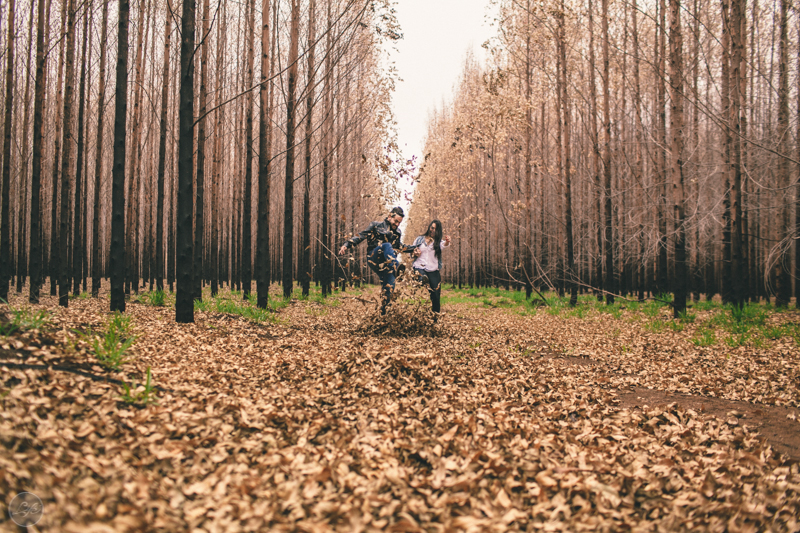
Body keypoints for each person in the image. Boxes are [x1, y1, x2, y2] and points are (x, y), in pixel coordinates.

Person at [338, 207, 415, 315]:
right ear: (389, 217)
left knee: (389, 288)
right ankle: (397, 267)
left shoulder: (397, 233)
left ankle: (384, 316)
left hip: (387, 265)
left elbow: (399, 246)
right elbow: (361, 235)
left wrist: (414, 248)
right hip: (374, 257)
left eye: (399, 222)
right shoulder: (375, 225)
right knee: (387, 245)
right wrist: (347, 244)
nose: (397, 224)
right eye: (396, 221)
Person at [411, 220, 451, 319]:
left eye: (435, 229)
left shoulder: (438, 242)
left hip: (433, 270)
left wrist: (447, 241)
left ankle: (435, 318)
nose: (433, 230)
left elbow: (444, 245)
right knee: (421, 276)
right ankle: (421, 280)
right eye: (432, 228)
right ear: (429, 227)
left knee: (436, 296)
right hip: (419, 266)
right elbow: (411, 252)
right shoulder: (419, 239)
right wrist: (414, 253)